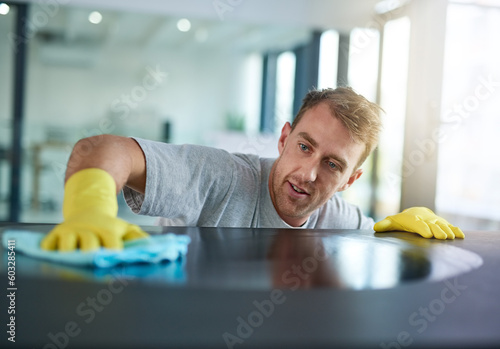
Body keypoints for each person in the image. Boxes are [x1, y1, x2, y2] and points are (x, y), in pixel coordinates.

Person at [41, 87, 464, 252]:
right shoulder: (222, 177)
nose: (308, 174)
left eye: (332, 165)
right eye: (303, 146)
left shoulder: (336, 217)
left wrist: (406, 229)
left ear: (351, 180)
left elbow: (373, 236)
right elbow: (103, 148)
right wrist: (89, 207)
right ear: (283, 139)